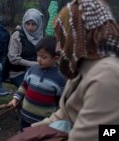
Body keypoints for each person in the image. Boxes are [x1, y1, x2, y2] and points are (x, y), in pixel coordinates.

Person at [8, 0, 119, 141]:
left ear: (78, 38)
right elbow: (67, 113)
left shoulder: (107, 75)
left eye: (62, 39)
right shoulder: (82, 68)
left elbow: (96, 134)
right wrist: (29, 134)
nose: (58, 48)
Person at [8, 36, 66, 131]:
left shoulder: (60, 78)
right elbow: (24, 86)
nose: (39, 59)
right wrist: (16, 98)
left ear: (55, 58)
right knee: (24, 136)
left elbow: (61, 101)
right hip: (25, 116)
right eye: (38, 55)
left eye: (44, 57)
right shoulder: (32, 69)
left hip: (43, 121)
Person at [6, 8, 44, 87]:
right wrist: (34, 64)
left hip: (38, 70)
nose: (30, 27)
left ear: (39, 24)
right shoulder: (17, 36)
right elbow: (13, 58)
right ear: (24, 23)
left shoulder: (41, 36)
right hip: (18, 73)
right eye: (28, 23)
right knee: (34, 89)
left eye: (33, 24)